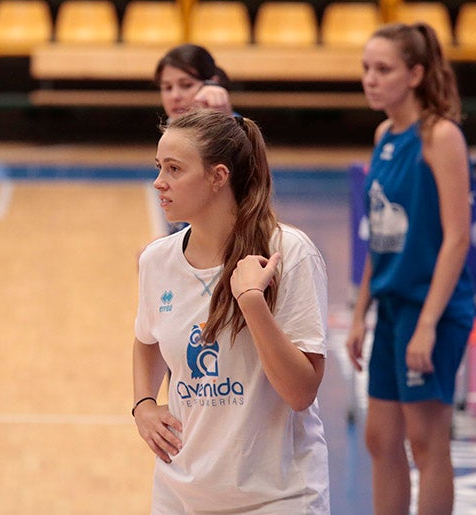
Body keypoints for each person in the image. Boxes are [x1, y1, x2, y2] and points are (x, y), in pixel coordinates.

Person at [133, 108, 330, 513]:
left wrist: (252, 304)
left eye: (174, 169)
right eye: (159, 167)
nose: (159, 182)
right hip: (181, 495)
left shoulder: (287, 253)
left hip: (276, 497)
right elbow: (145, 340)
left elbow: (300, 392)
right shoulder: (157, 260)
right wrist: (144, 405)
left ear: (218, 176)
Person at [345, 22, 474, 515]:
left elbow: (458, 237)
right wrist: (360, 313)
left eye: (384, 69)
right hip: (392, 306)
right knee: (381, 438)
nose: (371, 79)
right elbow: (381, 235)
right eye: (366, 69)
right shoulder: (384, 134)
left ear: (416, 74)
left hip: (432, 309)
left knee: (426, 439)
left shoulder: (441, 137)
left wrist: (426, 325)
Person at [154, 43, 233, 121]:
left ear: (213, 84)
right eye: (168, 88)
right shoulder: (166, 130)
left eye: (187, 85)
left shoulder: (239, 129)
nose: (175, 96)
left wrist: (224, 123)